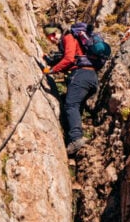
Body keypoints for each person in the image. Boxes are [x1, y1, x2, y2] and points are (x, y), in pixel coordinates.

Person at [41, 22, 97, 155]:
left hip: (81, 75)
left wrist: (52, 70)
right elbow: (71, 61)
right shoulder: (72, 40)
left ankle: (76, 139)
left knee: (71, 105)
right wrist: (50, 61)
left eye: (54, 34)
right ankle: (75, 141)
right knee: (75, 107)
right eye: (50, 37)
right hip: (90, 76)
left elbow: (69, 59)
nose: (53, 38)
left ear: (59, 31)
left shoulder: (68, 37)